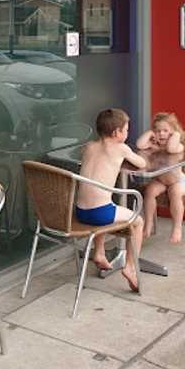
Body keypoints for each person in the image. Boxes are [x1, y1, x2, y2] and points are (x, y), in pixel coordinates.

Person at [75, 108, 147, 292]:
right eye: (126, 130)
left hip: (80, 212)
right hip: (99, 214)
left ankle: (99, 253)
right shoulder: (121, 148)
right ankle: (130, 267)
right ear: (117, 133)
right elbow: (142, 164)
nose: (127, 133)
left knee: (107, 203)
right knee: (138, 222)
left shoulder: (90, 146)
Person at [136, 112, 185, 243]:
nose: (162, 134)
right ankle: (148, 224)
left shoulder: (177, 146)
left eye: (165, 130)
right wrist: (150, 133)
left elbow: (170, 149)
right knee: (149, 191)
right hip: (161, 180)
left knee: (174, 192)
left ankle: (177, 228)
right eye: (158, 131)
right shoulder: (154, 146)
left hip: (177, 180)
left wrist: (176, 134)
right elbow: (140, 145)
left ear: (173, 132)